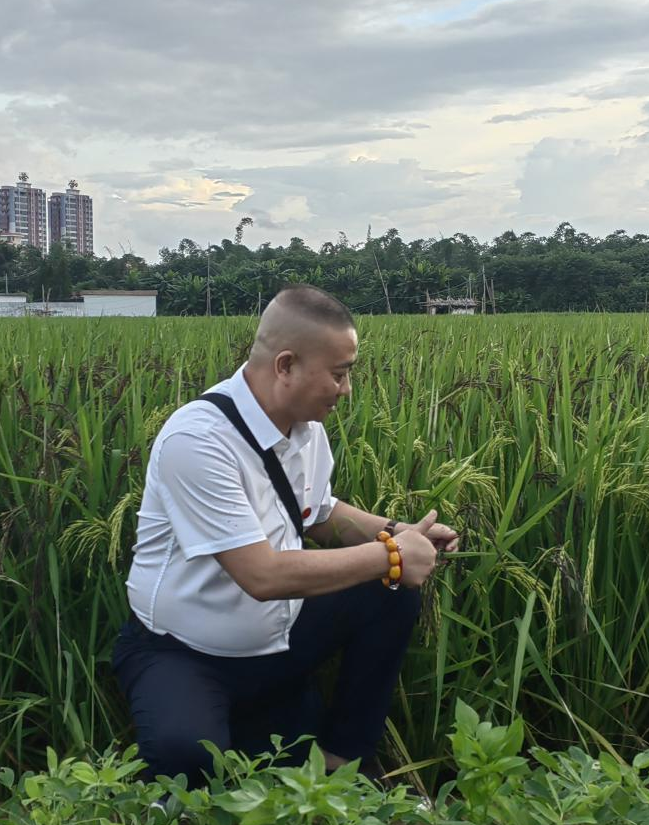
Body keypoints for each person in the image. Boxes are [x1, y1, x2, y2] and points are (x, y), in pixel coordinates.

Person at [110, 285, 459, 787]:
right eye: (339, 374)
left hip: (277, 640)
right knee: (188, 759)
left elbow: (315, 512)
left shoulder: (305, 428)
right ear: (286, 365)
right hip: (185, 653)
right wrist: (391, 555)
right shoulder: (199, 440)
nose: (346, 390)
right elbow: (262, 574)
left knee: (390, 594)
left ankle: (346, 759)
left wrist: (396, 532)